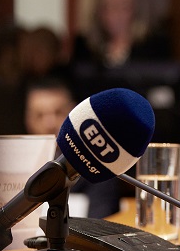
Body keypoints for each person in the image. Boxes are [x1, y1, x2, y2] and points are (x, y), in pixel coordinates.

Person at [23, 75, 124, 219]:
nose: (50, 123)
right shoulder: (15, 165)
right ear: (27, 119)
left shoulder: (96, 164)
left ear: (74, 114)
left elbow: (101, 218)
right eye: (39, 115)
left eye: (58, 112)